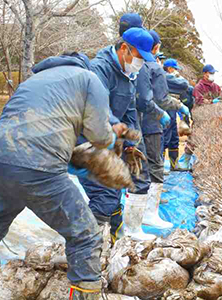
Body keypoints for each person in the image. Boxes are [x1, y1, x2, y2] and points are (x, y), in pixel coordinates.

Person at [0, 52, 119, 300]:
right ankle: (84, 294)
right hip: (37, 164)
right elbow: (99, 136)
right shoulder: (89, 78)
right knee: (85, 234)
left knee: (3, 207)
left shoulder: (34, 80)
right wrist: (114, 139)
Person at [77, 26, 158, 245]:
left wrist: (132, 146)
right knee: (104, 196)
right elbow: (97, 110)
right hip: (88, 140)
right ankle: (85, 248)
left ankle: (112, 241)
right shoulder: (99, 70)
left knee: (113, 194)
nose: (140, 64)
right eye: (139, 58)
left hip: (111, 144)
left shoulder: (128, 74)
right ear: (125, 48)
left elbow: (131, 113)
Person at [136, 30, 189, 228]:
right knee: (154, 166)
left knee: (140, 167)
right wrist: (176, 107)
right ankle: (149, 213)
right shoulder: (151, 67)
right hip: (150, 124)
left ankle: (142, 211)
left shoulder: (137, 66)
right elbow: (158, 99)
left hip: (140, 123)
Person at [162, 58, 190, 171]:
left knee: (174, 136)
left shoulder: (169, 76)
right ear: (169, 68)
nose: (176, 72)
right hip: (166, 107)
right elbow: (184, 84)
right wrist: (178, 77)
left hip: (173, 107)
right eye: (174, 69)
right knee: (165, 136)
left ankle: (174, 164)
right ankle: (161, 165)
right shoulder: (165, 76)